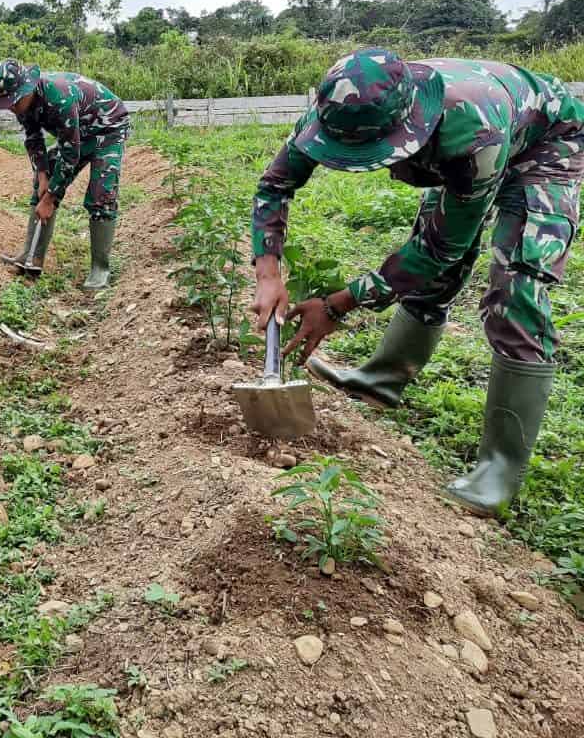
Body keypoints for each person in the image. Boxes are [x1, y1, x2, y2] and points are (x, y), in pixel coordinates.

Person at [250, 48, 584, 516]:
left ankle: (500, 468)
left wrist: (336, 306)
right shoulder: (342, 105)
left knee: (516, 285)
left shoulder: (472, 136)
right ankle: (381, 379)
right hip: (465, 139)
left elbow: (435, 254)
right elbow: (275, 184)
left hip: (545, 142)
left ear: (408, 124)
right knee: (433, 254)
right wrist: (267, 271)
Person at [0, 59, 130, 290]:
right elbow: (33, 139)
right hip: (77, 132)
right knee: (42, 183)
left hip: (109, 127)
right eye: (7, 103)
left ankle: (100, 269)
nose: (11, 107)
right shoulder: (21, 103)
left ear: (28, 88)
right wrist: (43, 175)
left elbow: (70, 155)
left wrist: (50, 198)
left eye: (13, 101)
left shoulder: (59, 97)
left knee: (101, 193)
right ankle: (32, 255)